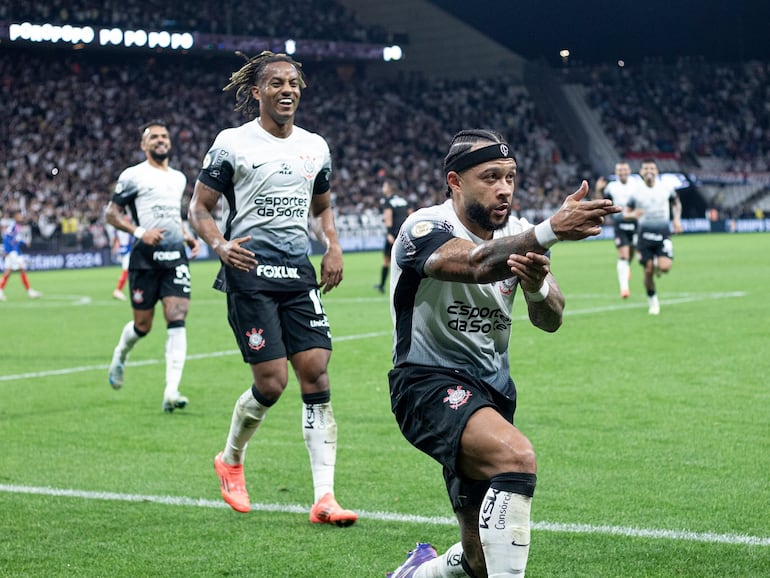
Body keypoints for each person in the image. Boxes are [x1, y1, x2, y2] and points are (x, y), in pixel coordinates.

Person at [386, 129, 620, 578]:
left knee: (479, 560)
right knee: (517, 458)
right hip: (426, 383)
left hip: (492, 392)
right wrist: (550, 230)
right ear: (455, 182)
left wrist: (534, 287)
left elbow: (551, 317)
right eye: (491, 177)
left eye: (510, 177)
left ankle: (418, 572)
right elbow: (475, 263)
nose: (505, 188)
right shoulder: (423, 228)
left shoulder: (518, 233)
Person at [188, 51, 358, 526]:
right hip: (249, 269)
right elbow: (199, 209)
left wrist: (333, 245)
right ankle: (231, 459)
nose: (288, 90)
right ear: (257, 91)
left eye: (294, 83)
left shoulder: (315, 147)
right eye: (277, 83)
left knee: (316, 373)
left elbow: (322, 206)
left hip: (297, 269)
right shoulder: (232, 144)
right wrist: (219, 245)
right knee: (272, 382)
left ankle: (324, 498)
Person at [105, 120, 200, 412]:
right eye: (154, 137)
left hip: (174, 259)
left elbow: (172, 213)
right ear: (144, 145)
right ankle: (121, 354)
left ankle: (171, 391)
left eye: (164, 136)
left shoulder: (179, 178)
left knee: (177, 316)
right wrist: (139, 233)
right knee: (143, 326)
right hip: (145, 259)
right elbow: (112, 214)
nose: (160, 140)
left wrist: (187, 235)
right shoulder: (133, 176)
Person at [629, 158, 682, 315]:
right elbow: (626, 212)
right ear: (641, 172)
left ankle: (659, 262)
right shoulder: (636, 192)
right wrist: (633, 214)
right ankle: (653, 302)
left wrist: (677, 220)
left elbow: (676, 204)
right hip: (644, 236)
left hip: (663, 234)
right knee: (648, 270)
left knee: (665, 268)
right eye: (646, 168)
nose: (649, 171)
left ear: (657, 171)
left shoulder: (666, 188)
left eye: (652, 168)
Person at [601, 161, 642, 299]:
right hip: (620, 223)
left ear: (629, 171)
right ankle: (624, 288)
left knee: (631, 253)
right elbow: (602, 202)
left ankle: (626, 268)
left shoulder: (637, 185)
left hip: (636, 223)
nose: (622, 172)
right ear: (616, 172)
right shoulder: (611, 187)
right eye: (619, 170)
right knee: (623, 255)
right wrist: (598, 190)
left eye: (624, 169)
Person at [374, 178, 412, 293]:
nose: (383, 188)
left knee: (386, 260)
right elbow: (412, 214)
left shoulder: (387, 201)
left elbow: (388, 217)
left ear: (389, 188)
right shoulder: (404, 199)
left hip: (394, 233)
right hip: (405, 233)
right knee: (407, 261)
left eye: (384, 186)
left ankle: (382, 285)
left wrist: (389, 233)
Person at [0, 211, 42, 301]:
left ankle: (0, 291)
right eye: (19, 216)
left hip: (14, 252)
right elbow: (6, 238)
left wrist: (24, 242)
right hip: (12, 253)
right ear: (15, 217)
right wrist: (7, 251)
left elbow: (16, 240)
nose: (21, 217)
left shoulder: (17, 227)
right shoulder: (12, 227)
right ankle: (30, 291)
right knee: (22, 269)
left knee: (7, 272)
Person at [111, 225, 133, 301]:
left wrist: (115, 247)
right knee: (126, 271)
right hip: (127, 249)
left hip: (123, 249)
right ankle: (118, 290)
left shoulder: (118, 228)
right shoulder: (126, 226)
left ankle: (119, 290)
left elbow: (116, 239)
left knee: (127, 270)